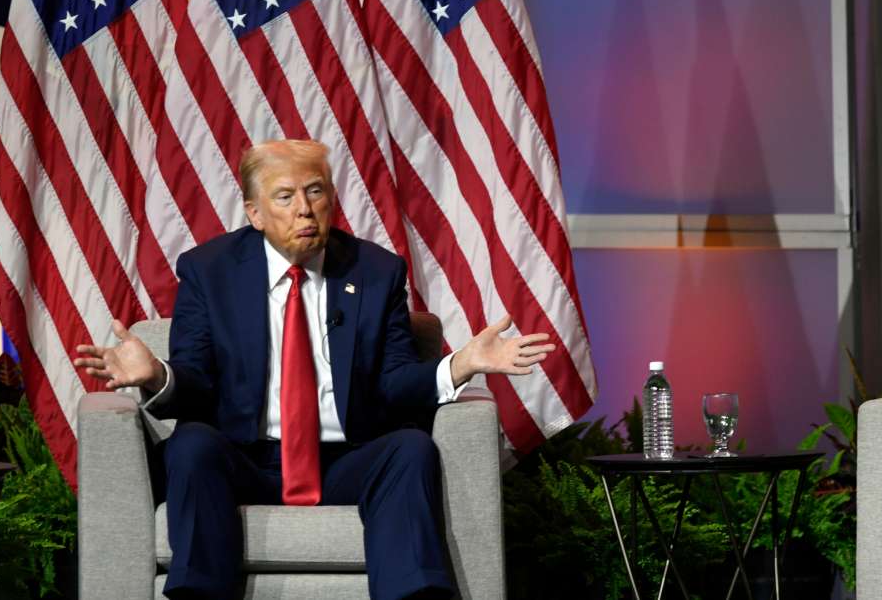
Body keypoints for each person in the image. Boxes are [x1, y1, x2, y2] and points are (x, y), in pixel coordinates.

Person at [73, 139, 554, 600]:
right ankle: (201, 593)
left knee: (410, 449)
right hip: (245, 457)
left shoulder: (375, 271)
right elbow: (195, 381)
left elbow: (394, 383)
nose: (305, 208)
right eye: (285, 196)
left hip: (344, 459)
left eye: (316, 191)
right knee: (192, 445)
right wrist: (157, 375)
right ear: (255, 213)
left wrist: (463, 363)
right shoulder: (210, 269)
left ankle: (413, 593)